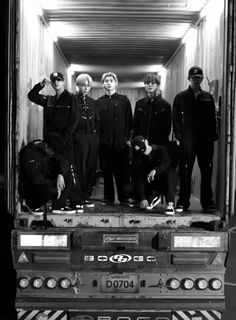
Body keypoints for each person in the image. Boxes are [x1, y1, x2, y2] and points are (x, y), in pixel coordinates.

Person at [28, 71, 83, 212]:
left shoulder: (71, 98)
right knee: (53, 172)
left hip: (65, 142)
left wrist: (65, 139)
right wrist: (41, 84)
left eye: (59, 80)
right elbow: (32, 96)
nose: (56, 82)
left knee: (66, 171)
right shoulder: (49, 100)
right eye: (54, 80)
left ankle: (66, 203)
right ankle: (57, 202)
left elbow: (74, 120)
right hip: (50, 144)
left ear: (63, 81)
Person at [172, 66, 218, 213]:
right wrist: (179, 136)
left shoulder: (207, 97)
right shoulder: (181, 97)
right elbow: (176, 119)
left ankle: (207, 202)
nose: (196, 80)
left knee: (206, 172)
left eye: (199, 78)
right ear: (189, 79)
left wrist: (212, 136)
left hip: (205, 141)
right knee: (185, 172)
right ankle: (183, 202)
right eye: (194, 78)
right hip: (188, 140)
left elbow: (212, 119)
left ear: (202, 79)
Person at [133, 73, 176, 214]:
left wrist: (155, 148)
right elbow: (136, 126)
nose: (149, 85)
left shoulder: (165, 105)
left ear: (157, 85)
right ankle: (142, 198)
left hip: (158, 147)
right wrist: (138, 143)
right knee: (138, 170)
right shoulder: (139, 104)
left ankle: (159, 196)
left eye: (152, 83)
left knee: (164, 171)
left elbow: (166, 129)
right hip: (141, 146)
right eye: (147, 83)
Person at [96, 72, 133, 206]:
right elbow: (97, 123)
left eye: (111, 80)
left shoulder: (124, 100)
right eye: (106, 81)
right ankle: (108, 197)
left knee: (122, 172)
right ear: (102, 84)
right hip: (105, 144)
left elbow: (129, 120)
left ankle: (125, 197)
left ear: (116, 83)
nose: (109, 83)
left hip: (121, 143)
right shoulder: (99, 102)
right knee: (106, 172)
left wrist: (127, 138)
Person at [18, 140, 83, 215]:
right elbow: (35, 178)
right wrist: (54, 185)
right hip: (29, 187)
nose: (52, 153)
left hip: (42, 181)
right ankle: (31, 204)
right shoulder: (30, 154)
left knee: (66, 173)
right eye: (52, 151)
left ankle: (58, 206)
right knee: (50, 189)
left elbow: (63, 162)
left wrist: (60, 174)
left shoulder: (45, 151)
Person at [73, 73, 99, 208]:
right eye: (83, 85)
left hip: (92, 138)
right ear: (77, 86)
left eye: (88, 86)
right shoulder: (72, 100)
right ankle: (76, 197)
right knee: (78, 167)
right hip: (78, 137)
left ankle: (85, 196)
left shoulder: (92, 102)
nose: (86, 88)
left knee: (91, 167)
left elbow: (97, 122)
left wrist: (96, 138)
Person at [131, 136, 174, 214]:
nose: (144, 152)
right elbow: (138, 177)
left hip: (163, 180)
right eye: (141, 151)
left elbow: (167, 162)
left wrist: (155, 170)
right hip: (151, 184)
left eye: (144, 149)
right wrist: (142, 198)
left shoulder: (160, 149)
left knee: (170, 172)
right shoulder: (139, 157)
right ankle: (153, 196)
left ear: (146, 142)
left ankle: (170, 204)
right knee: (144, 203)